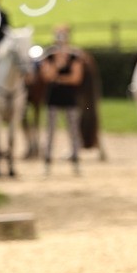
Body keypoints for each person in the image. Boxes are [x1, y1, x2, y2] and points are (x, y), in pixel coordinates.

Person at [40, 26, 84, 173]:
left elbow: (76, 78)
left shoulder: (74, 56)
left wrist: (59, 78)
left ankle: (76, 161)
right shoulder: (50, 56)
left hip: (70, 99)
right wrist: (57, 64)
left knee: (73, 131)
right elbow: (46, 76)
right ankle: (47, 162)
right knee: (50, 131)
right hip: (53, 98)